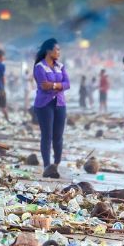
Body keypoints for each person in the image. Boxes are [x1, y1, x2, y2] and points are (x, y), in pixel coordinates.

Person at [32, 38, 70, 178]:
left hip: (60, 103)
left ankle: (56, 164)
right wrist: (59, 85)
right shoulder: (39, 67)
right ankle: (47, 166)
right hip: (44, 104)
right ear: (49, 51)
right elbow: (43, 86)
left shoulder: (60, 66)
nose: (59, 52)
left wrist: (54, 85)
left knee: (58, 136)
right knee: (46, 135)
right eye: (57, 49)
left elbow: (67, 84)